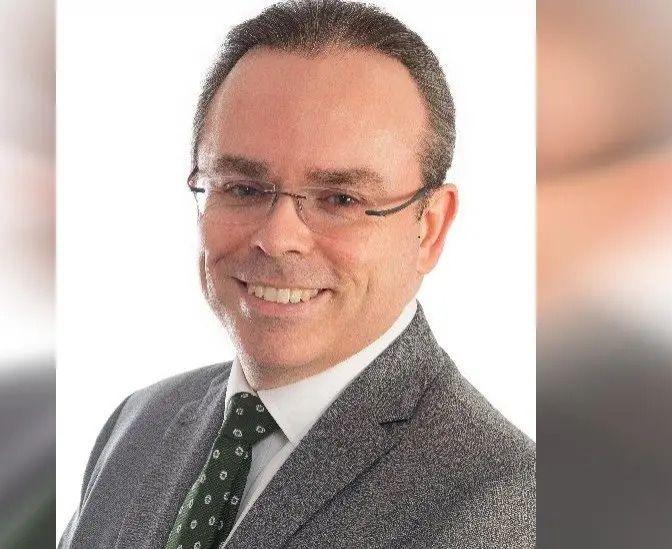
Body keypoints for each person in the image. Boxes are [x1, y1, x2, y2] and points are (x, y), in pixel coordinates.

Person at [59, 2, 535, 548]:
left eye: (340, 198)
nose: (278, 236)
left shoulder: (501, 504)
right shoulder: (138, 425)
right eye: (242, 187)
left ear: (428, 227)